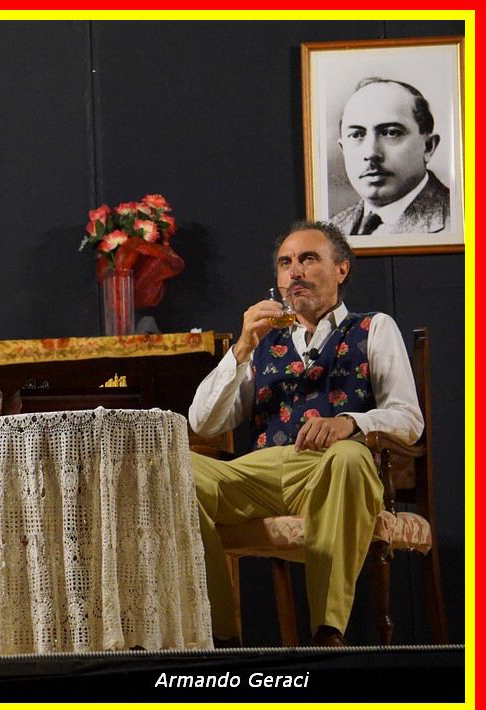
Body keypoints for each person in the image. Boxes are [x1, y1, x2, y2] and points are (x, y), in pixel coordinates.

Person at [189, 220, 423, 646]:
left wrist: (352, 422)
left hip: (332, 472)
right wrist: (240, 349)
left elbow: (409, 420)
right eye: (285, 263)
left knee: (349, 456)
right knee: (175, 471)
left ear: (341, 269)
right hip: (260, 475)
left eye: (308, 259)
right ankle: (219, 636)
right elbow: (203, 423)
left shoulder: (374, 327)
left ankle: (327, 631)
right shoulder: (261, 343)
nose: (294, 271)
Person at [330, 77, 450, 235]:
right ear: (343, 149)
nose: (371, 153)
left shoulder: (462, 221)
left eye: (391, 133)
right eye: (357, 135)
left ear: (428, 147)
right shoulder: (331, 229)